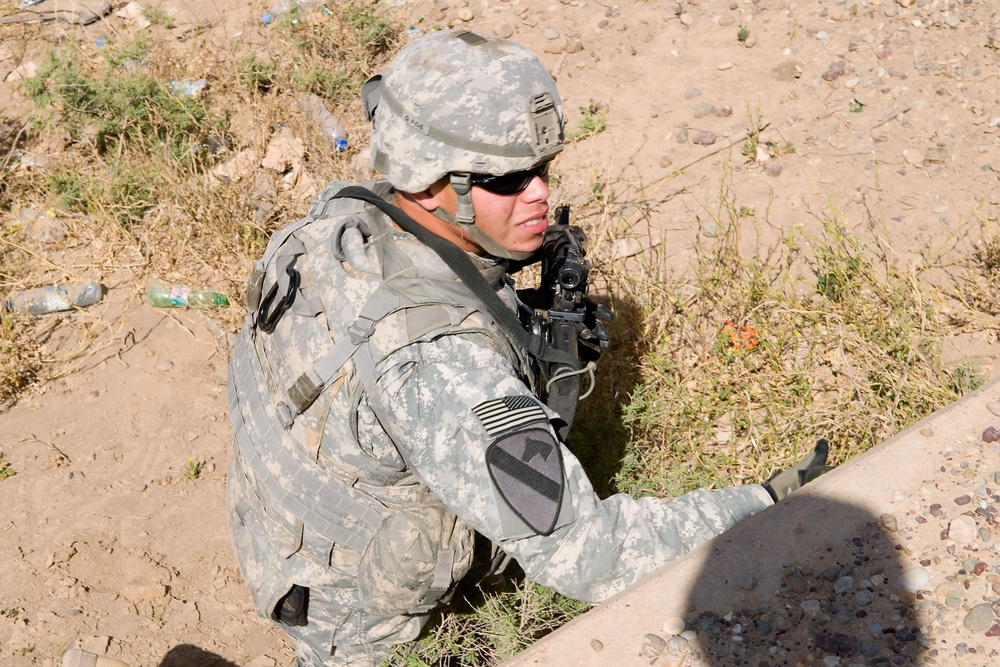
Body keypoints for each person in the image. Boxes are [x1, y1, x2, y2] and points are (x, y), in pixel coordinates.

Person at [225, 28, 830, 667]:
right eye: (508, 179)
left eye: (541, 170)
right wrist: (759, 508)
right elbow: (593, 555)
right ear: (431, 183)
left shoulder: (337, 221)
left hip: (280, 533)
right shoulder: (445, 371)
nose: (538, 192)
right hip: (353, 619)